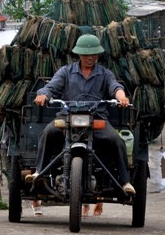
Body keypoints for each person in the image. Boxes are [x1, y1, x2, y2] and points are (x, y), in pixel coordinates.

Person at [25, 34, 136, 196]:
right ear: (79, 55)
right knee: (47, 133)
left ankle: (125, 181)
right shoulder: (66, 72)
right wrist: (43, 95)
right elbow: (51, 87)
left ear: (97, 55)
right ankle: (39, 172)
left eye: (92, 55)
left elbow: (115, 87)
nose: (89, 58)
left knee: (117, 140)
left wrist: (121, 97)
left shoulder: (104, 74)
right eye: (85, 55)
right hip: (67, 117)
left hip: (96, 118)